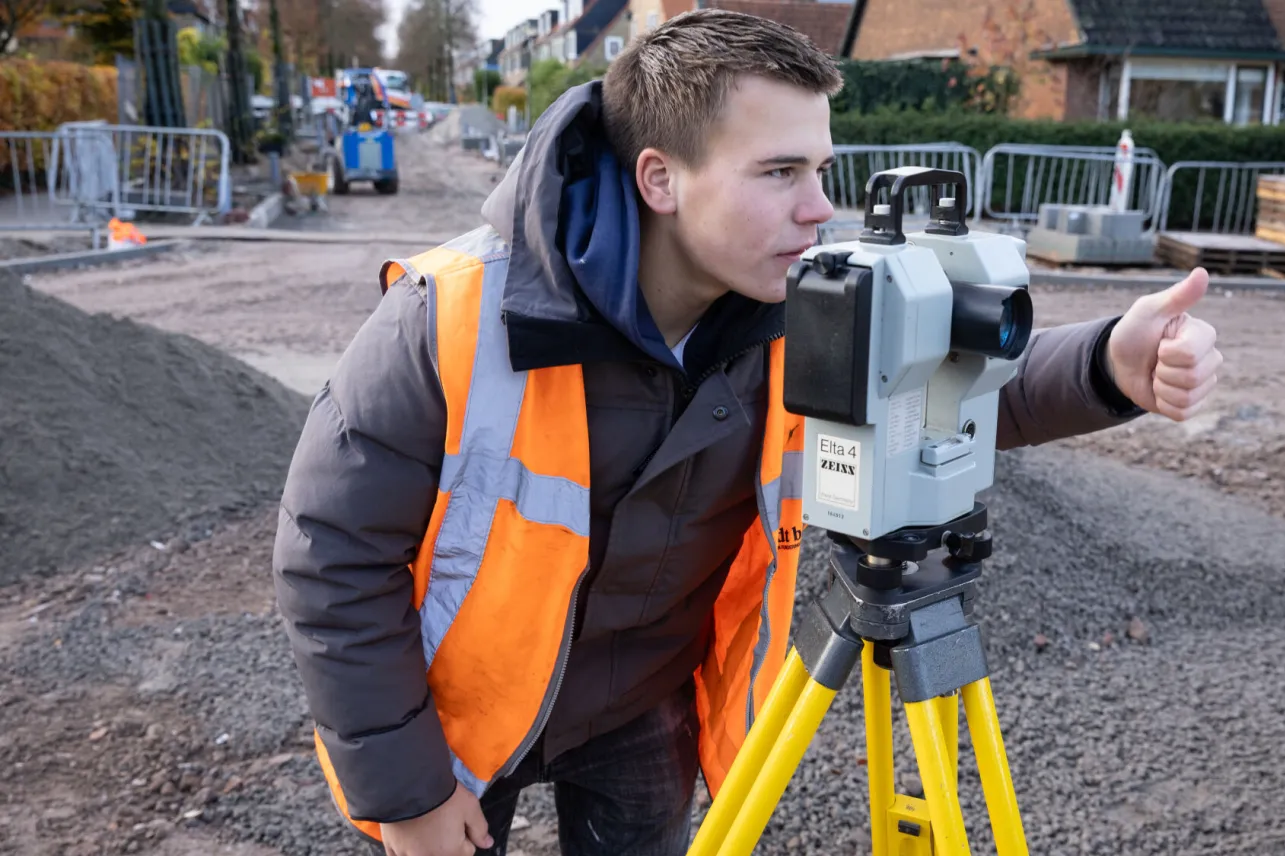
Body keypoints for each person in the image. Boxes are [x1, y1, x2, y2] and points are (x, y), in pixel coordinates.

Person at [272, 9, 1223, 856]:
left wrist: (1109, 363)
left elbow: (944, 389)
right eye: (779, 173)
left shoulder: (800, 303)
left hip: (644, 706)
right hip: (462, 714)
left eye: (821, 170)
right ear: (660, 179)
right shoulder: (450, 317)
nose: (819, 209)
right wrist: (407, 793)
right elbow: (333, 553)